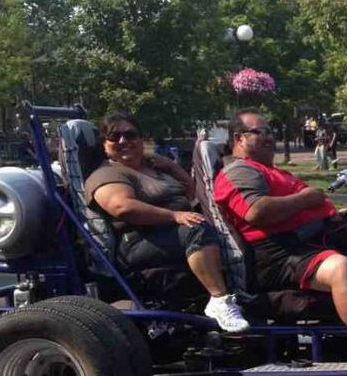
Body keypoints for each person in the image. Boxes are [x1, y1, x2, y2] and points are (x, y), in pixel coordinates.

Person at [214, 109, 347, 376]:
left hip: (303, 244)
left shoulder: (266, 170)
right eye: (260, 132)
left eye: (270, 132)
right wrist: (306, 199)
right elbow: (256, 212)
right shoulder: (240, 171)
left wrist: (325, 214)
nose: (269, 137)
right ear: (238, 138)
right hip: (279, 256)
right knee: (341, 269)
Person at [85, 112, 248, 333]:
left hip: (172, 233)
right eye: (114, 137)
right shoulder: (107, 174)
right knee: (197, 230)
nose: (123, 141)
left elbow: (192, 193)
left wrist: (171, 167)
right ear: (105, 145)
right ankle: (220, 300)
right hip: (137, 242)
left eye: (130, 135)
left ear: (141, 139)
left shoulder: (155, 168)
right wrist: (174, 216)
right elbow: (122, 207)